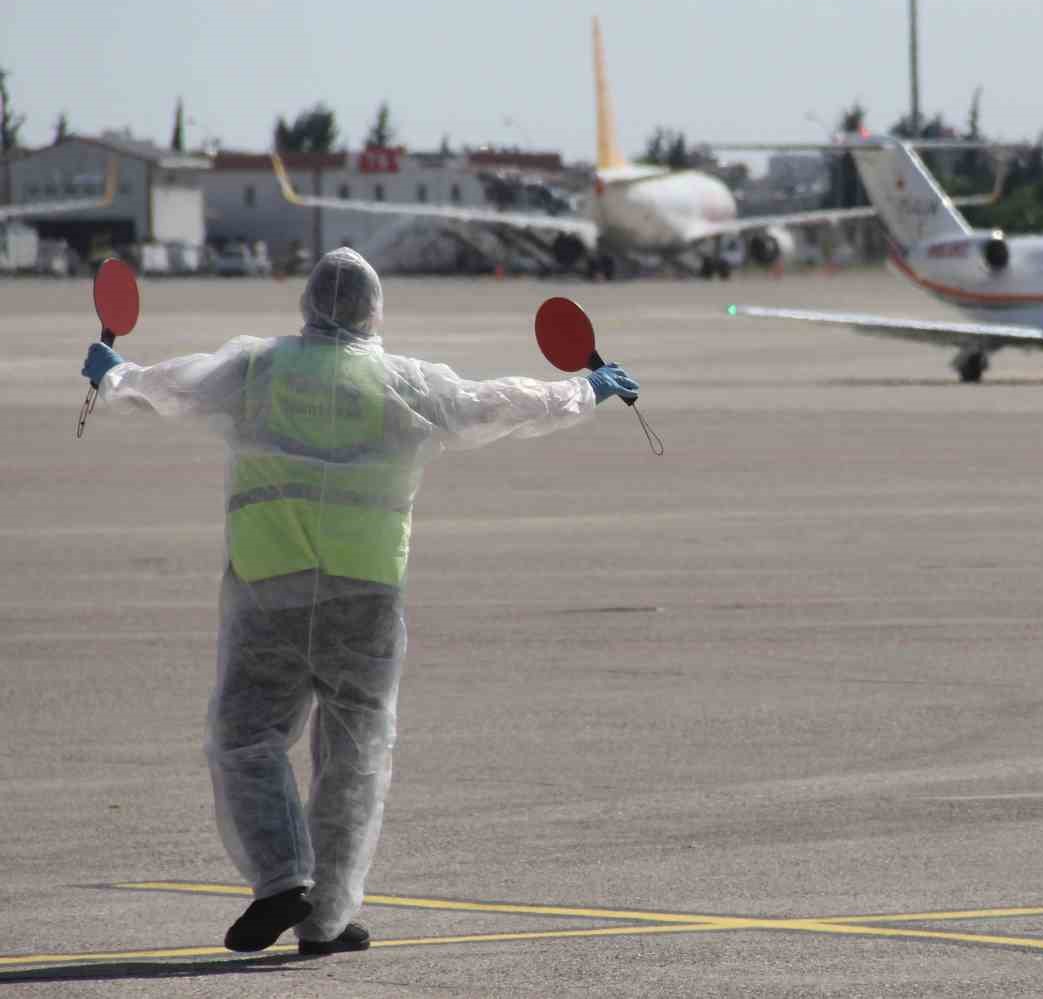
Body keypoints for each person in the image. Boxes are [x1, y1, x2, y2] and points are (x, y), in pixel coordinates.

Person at [80, 248, 638, 956]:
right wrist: (586, 390)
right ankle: (326, 916)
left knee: (246, 738)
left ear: (306, 306)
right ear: (375, 312)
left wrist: (113, 371)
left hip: (269, 587)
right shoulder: (404, 381)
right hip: (366, 596)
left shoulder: (258, 368)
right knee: (355, 758)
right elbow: (496, 402)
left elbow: (170, 387)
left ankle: (283, 877)